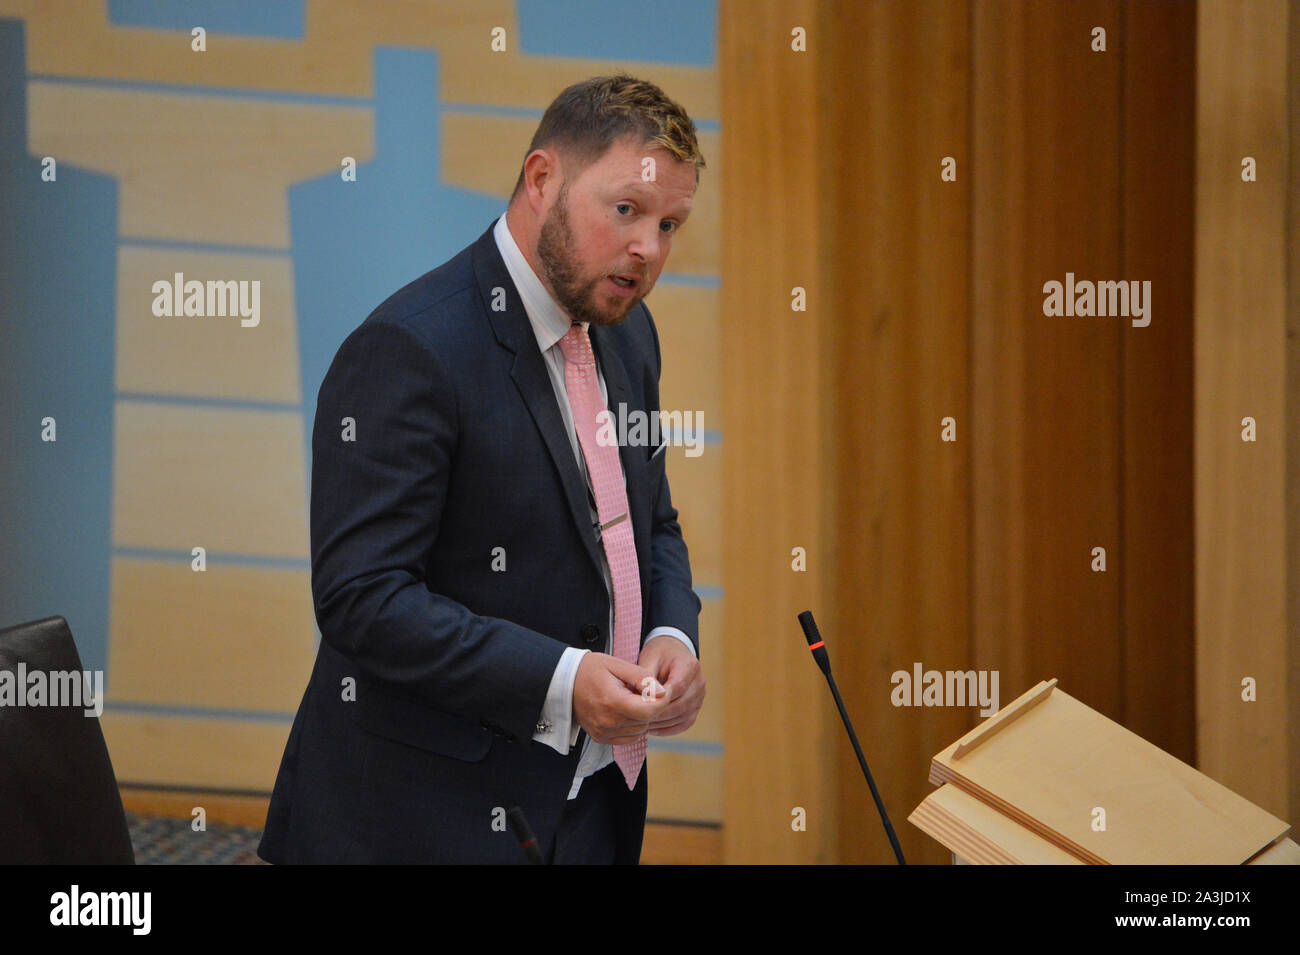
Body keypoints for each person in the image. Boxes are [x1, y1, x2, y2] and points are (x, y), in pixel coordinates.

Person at [257, 73, 707, 864]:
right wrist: (564, 681)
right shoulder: (410, 348)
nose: (649, 249)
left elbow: (651, 521)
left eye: (670, 223)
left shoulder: (630, 336)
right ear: (543, 180)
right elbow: (364, 599)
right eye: (627, 210)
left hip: (592, 805)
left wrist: (671, 628)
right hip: (422, 820)